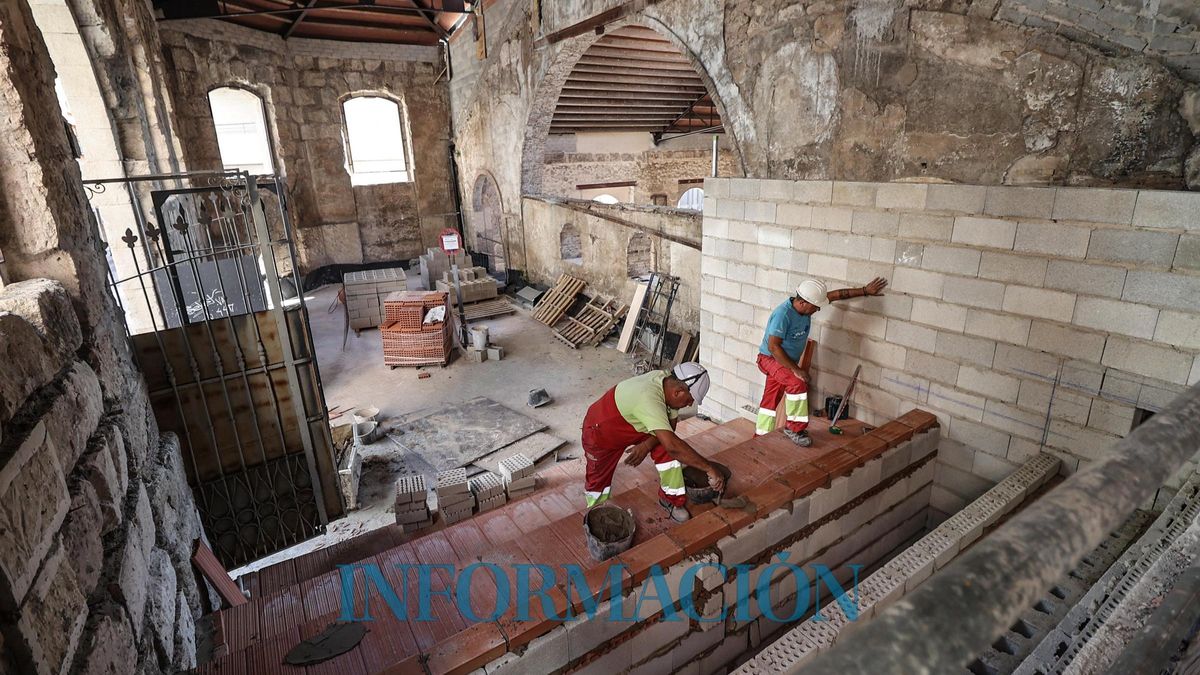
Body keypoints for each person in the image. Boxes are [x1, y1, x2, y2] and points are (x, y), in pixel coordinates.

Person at [581, 362, 724, 522]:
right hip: (600, 431)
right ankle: (596, 517)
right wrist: (709, 468)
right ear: (678, 392)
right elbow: (674, 447)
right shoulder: (649, 397)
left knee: (667, 450)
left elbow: (670, 429)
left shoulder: (668, 385)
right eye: (690, 400)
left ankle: (671, 500)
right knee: (598, 480)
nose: (690, 404)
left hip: (635, 425)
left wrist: (646, 445)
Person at [756, 276, 889, 446]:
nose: (818, 310)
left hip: (782, 360)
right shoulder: (783, 314)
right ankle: (794, 429)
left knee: (770, 400)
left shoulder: (807, 304)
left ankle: (760, 437)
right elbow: (774, 347)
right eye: (815, 307)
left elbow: (836, 295)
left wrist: (864, 290)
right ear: (803, 303)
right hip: (770, 358)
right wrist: (797, 370)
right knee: (798, 383)